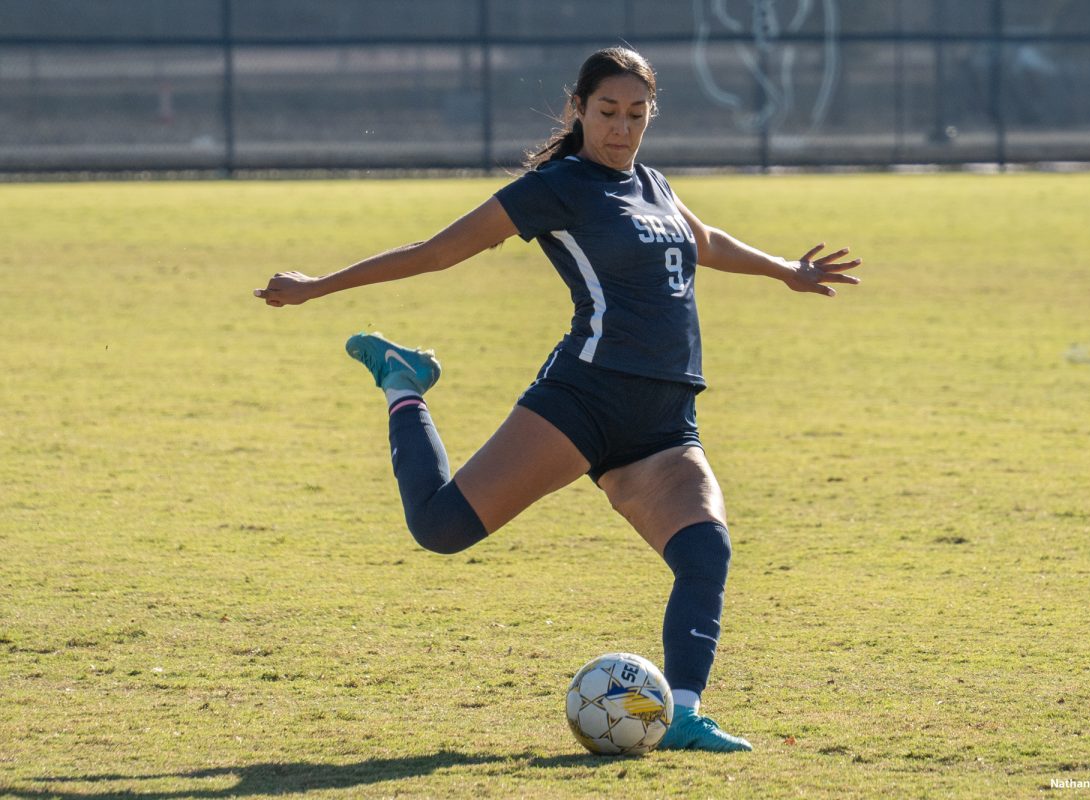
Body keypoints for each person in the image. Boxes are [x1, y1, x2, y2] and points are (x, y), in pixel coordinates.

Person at [254, 46, 860, 752]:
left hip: (665, 420)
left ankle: (682, 713)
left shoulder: (655, 186)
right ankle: (402, 382)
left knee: (705, 553)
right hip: (586, 397)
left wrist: (785, 270)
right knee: (440, 528)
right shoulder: (558, 187)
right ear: (578, 109)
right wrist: (317, 285)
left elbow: (703, 241)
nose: (622, 127)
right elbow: (438, 249)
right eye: (607, 112)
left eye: (637, 114)